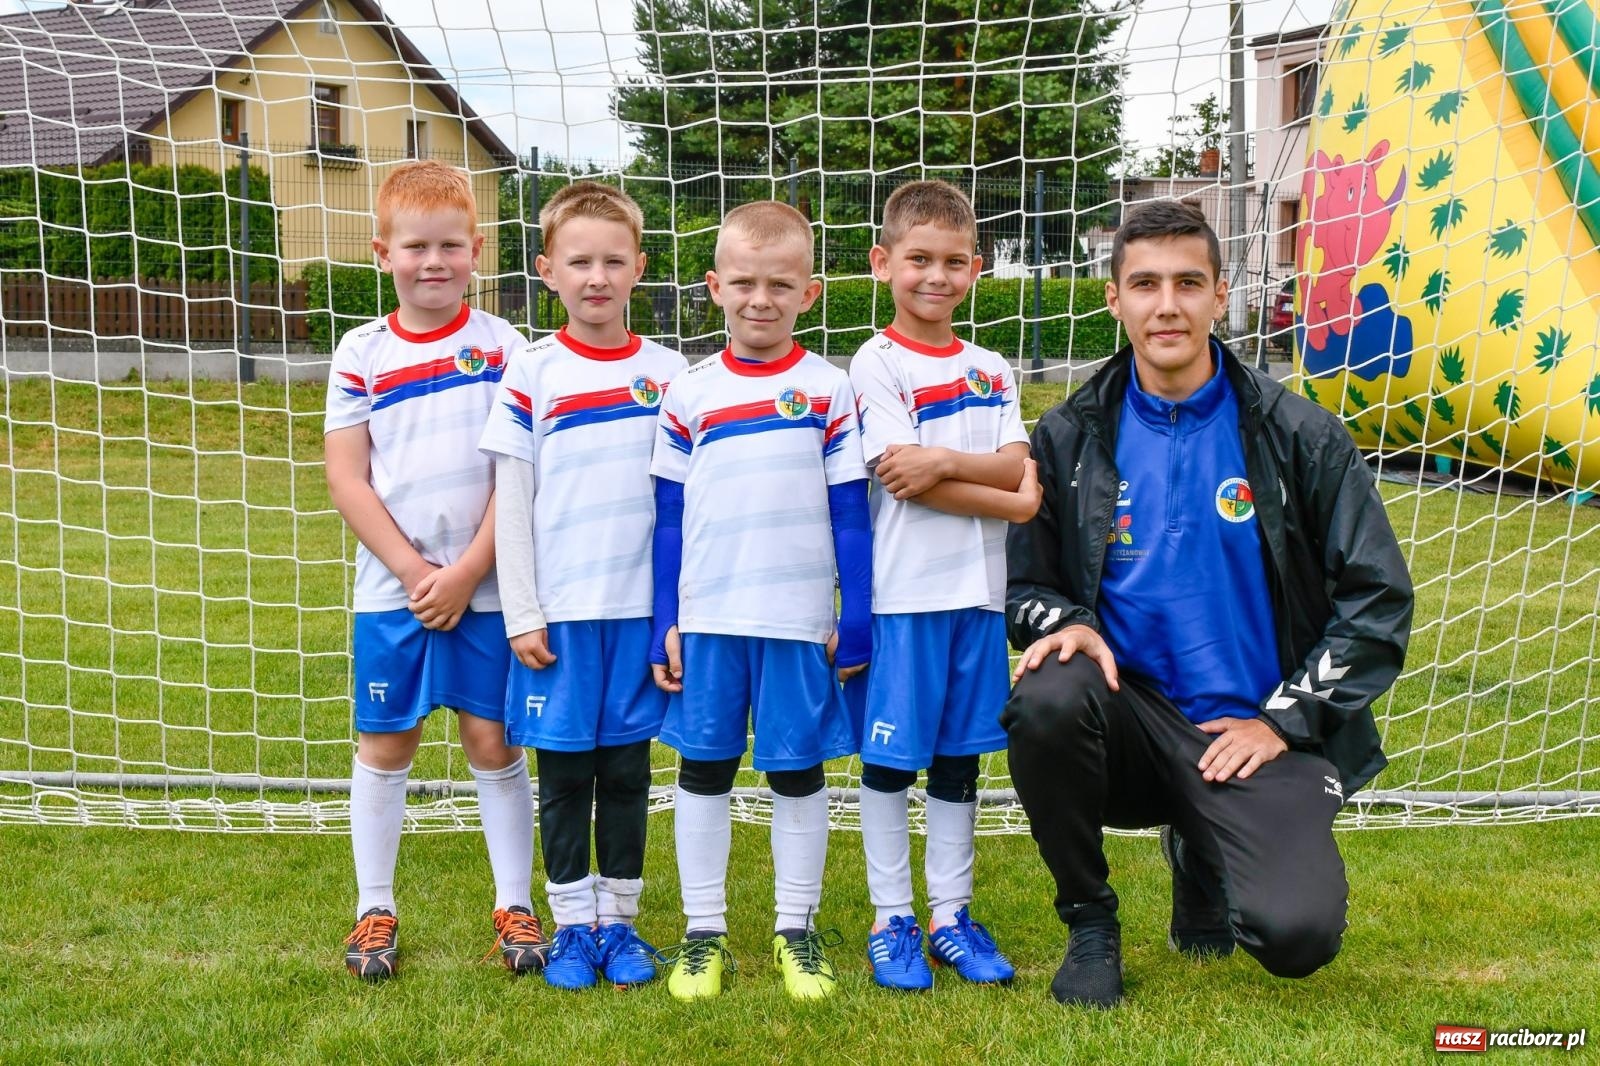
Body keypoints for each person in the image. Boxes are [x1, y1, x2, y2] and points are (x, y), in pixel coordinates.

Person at [1004, 199, 1413, 1008]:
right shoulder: (1068, 435)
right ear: (1114, 299)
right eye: (1145, 284)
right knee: (1047, 695)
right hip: (1130, 716)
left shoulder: (1297, 433)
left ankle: (1202, 851)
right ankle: (1091, 924)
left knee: (1297, 937)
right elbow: (1025, 590)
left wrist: (1283, 722)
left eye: (1188, 283)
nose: (1167, 305)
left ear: (1220, 296)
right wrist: (1072, 625)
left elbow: (1378, 598)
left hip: (1253, 731)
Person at [648, 201, 871, 1001]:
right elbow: (668, 517)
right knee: (703, 770)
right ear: (714, 287)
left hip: (796, 620)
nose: (760, 300)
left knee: (797, 774)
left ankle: (795, 931)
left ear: (809, 293)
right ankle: (702, 935)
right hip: (708, 620)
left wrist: (859, 611)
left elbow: (851, 511)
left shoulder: (829, 388)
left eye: (780, 285)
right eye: (743, 282)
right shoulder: (688, 391)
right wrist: (662, 621)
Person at [324, 160, 540, 980]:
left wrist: (467, 572)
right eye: (415, 246)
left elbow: (518, 474)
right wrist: (418, 570)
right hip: (393, 591)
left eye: (451, 245)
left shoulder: (505, 347)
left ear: (478, 250)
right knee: (386, 744)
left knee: (492, 740)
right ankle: (373, 908)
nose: (434, 261)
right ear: (383, 252)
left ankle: (515, 906)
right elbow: (347, 475)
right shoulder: (361, 351)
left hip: (486, 591)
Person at [478, 180, 686, 991]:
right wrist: (523, 610)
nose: (596, 277)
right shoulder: (531, 371)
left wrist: (677, 616)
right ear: (546, 271)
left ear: (639, 267)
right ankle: (571, 925)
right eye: (578, 262)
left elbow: (684, 509)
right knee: (564, 776)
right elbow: (514, 501)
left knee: (627, 774)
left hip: (637, 619)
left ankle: (622, 925)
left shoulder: (672, 375)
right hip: (559, 619)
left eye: (612, 261)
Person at [845, 180, 1041, 990]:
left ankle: (950, 914)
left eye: (955, 262)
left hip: (978, 600)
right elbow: (903, 480)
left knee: (961, 763)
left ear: (976, 269)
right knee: (893, 763)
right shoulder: (875, 361)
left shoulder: (990, 367)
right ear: (882, 263)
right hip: (905, 599)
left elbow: (1016, 468)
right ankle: (892, 920)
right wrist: (1006, 487)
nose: (937, 275)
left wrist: (954, 461)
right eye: (919, 259)